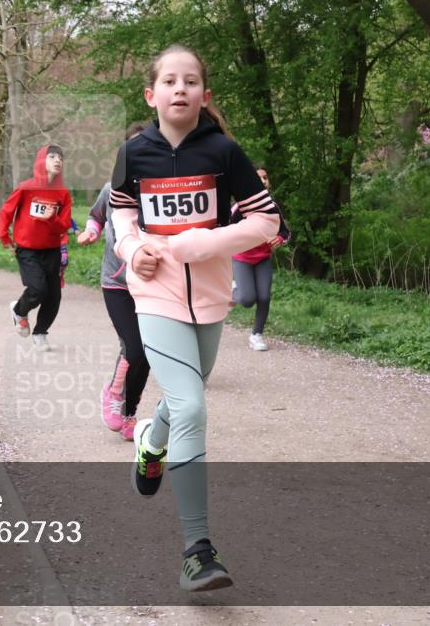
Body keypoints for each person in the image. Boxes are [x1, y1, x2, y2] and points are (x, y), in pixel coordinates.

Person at [109, 44, 281, 592]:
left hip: (209, 298)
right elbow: (121, 216)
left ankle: (149, 442)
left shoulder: (224, 152)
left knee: (181, 404)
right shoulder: (134, 154)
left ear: (204, 95)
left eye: (190, 82)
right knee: (191, 404)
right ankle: (197, 550)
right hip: (154, 295)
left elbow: (265, 223)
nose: (179, 89)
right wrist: (133, 250)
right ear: (151, 94)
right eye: (169, 81)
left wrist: (204, 242)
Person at [78, 125, 152, 441]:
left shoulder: (158, 194)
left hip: (150, 284)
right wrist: (91, 231)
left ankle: (129, 413)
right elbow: (96, 216)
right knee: (134, 346)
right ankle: (113, 390)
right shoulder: (111, 189)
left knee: (147, 352)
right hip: (116, 282)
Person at [0, 145, 72, 352]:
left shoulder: (63, 193)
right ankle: (19, 310)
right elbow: (6, 212)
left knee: (54, 296)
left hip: (52, 250)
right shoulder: (26, 188)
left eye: (60, 157)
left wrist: (52, 219)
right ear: (41, 161)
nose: (57, 160)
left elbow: (64, 225)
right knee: (38, 289)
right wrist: (5, 237)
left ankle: (40, 333)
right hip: (27, 249)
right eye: (52, 157)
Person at [231, 168, 290, 351]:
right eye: (258, 178)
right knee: (248, 299)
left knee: (264, 297)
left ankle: (257, 335)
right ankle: (232, 290)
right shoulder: (240, 207)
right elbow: (225, 231)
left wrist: (279, 239)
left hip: (263, 258)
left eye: (266, 177)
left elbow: (285, 231)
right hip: (241, 257)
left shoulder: (272, 206)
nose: (263, 181)